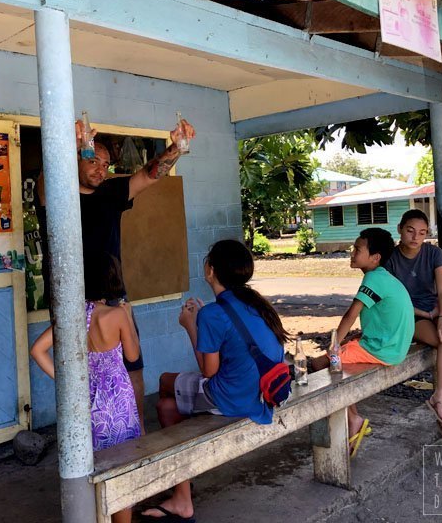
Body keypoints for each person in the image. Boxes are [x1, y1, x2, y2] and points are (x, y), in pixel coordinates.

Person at [37, 117, 196, 433]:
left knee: (131, 368)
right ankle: (87, 441)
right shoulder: (56, 193)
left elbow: (149, 175)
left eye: (106, 164)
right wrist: (69, 145)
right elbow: (45, 180)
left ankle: (135, 436)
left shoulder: (111, 192)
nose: (100, 169)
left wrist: (176, 149)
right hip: (71, 302)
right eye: (92, 160)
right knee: (77, 372)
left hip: (114, 298)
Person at [142, 239, 289, 522]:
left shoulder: (211, 313)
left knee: (164, 386)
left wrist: (189, 326)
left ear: (210, 269)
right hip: (263, 393)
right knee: (167, 407)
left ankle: (182, 492)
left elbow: (208, 373)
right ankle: (182, 483)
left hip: (232, 397)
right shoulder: (254, 303)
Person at [30, 252, 140, 523]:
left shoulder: (73, 317)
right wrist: (129, 316)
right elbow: (133, 356)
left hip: (86, 401)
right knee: (122, 469)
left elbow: (37, 350)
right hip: (118, 400)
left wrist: (66, 381)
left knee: (92, 467)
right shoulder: (116, 315)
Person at [312, 228, 415, 458]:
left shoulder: (374, 278)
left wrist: (333, 345)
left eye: (358, 249)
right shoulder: (383, 277)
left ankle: (351, 419)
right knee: (338, 359)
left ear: (375, 257)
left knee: (321, 364)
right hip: (392, 346)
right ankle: (352, 417)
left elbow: (350, 315)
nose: (352, 253)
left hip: (382, 350)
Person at [385, 209, 442, 448]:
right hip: (408, 315)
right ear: (400, 229)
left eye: (422, 232)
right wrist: (426, 314)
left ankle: (440, 399)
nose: (415, 237)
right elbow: (392, 300)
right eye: (410, 230)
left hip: (434, 310)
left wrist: (441, 316)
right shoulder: (390, 258)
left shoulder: (434, 253)